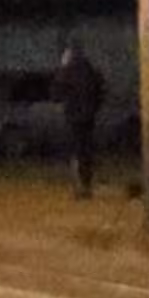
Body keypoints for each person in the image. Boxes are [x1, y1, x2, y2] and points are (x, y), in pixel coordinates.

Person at [51, 43, 106, 199]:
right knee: (86, 151)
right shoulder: (92, 72)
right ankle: (87, 184)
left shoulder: (66, 73)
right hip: (89, 117)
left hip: (73, 117)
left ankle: (79, 187)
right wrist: (94, 108)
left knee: (76, 151)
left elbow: (56, 93)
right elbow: (101, 93)